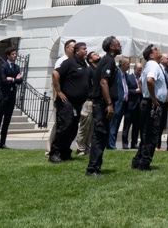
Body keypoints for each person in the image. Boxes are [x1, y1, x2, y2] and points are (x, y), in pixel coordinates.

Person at [85, 36, 122, 176]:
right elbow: (103, 83)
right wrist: (109, 104)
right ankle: (92, 168)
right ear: (111, 47)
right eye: (118, 44)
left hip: (102, 104)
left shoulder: (107, 60)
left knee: (102, 135)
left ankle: (96, 166)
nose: (120, 46)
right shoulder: (108, 61)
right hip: (102, 104)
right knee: (99, 135)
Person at [50, 41, 90, 163]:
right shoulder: (69, 63)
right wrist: (59, 91)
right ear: (77, 51)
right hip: (67, 101)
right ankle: (54, 152)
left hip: (78, 103)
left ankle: (65, 151)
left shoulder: (84, 65)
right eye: (83, 49)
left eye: (86, 49)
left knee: (73, 128)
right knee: (65, 126)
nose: (86, 51)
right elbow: (55, 73)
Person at [132, 45, 166, 169]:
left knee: (146, 133)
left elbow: (141, 82)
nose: (159, 50)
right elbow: (149, 80)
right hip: (152, 103)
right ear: (151, 55)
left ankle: (137, 161)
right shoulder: (153, 65)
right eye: (156, 49)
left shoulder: (148, 65)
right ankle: (144, 163)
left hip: (147, 102)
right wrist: (154, 98)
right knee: (151, 134)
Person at [0, 50, 24, 149]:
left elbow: (20, 80)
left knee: (7, 120)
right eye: (12, 54)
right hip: (3, 97)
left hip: (11, 97)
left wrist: (12, 79)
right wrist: (14, 79)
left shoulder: (16, 67)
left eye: (15, 54)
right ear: (8, 55)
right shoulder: (3, 66)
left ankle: (3, 143)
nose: (14, 56)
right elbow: (4, 81)